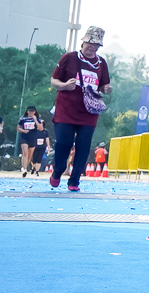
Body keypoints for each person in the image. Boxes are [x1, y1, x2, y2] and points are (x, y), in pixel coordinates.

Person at [49, 26, 112, 191]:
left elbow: (103, 84)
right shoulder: (69, 58)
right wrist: (64, 85)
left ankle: (74, 180)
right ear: (83, 42)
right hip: (66, 109)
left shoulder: (101, 63)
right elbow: (54, 80)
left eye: (96, 45)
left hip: (89, 112)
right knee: (64, 142)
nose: (92, 47)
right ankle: (58, 170)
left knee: (83, 146)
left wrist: (105, 89)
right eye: (90, 43)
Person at [17, 107, 44, 175]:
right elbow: (18, 128)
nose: (31, 113)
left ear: (34, 112)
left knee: (29, 155)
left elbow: (41, 128)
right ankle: (24, 169)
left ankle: (25, 166)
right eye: (29, 111)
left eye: (32, 111)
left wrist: (35, 120)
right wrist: (23, 130)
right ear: (27, 111)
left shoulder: (37, 119)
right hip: (24, 137)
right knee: (25, 153)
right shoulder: (23, 119)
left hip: (33, 138)